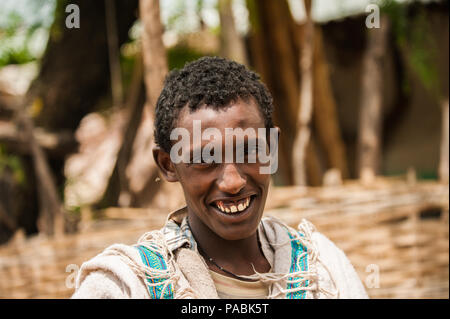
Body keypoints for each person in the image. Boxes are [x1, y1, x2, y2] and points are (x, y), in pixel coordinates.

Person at [72, 57, 368, 299]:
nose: (233, 181)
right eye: (204, 159)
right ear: (168, 164)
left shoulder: (321, 271)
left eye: (250, 150)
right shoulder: (127, 285)